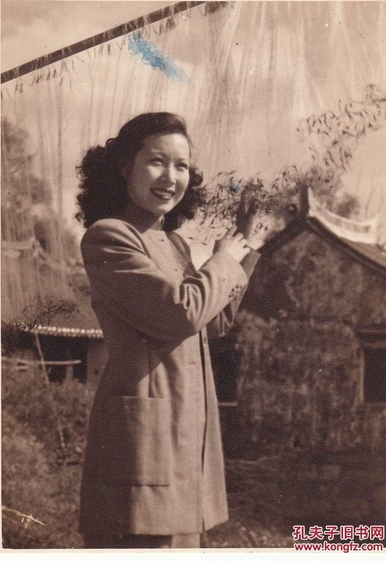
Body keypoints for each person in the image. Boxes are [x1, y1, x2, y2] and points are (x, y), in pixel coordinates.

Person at [75, 112, 262, 549]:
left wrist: (243, 243)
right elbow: (180, 314)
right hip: (142, 444)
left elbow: (213, 322)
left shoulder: (175, 244)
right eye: (157, 161)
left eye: (181, 166)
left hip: (184, 440)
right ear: (125, 166)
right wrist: (225, 260)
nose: (170, 177)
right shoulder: (109, 236)